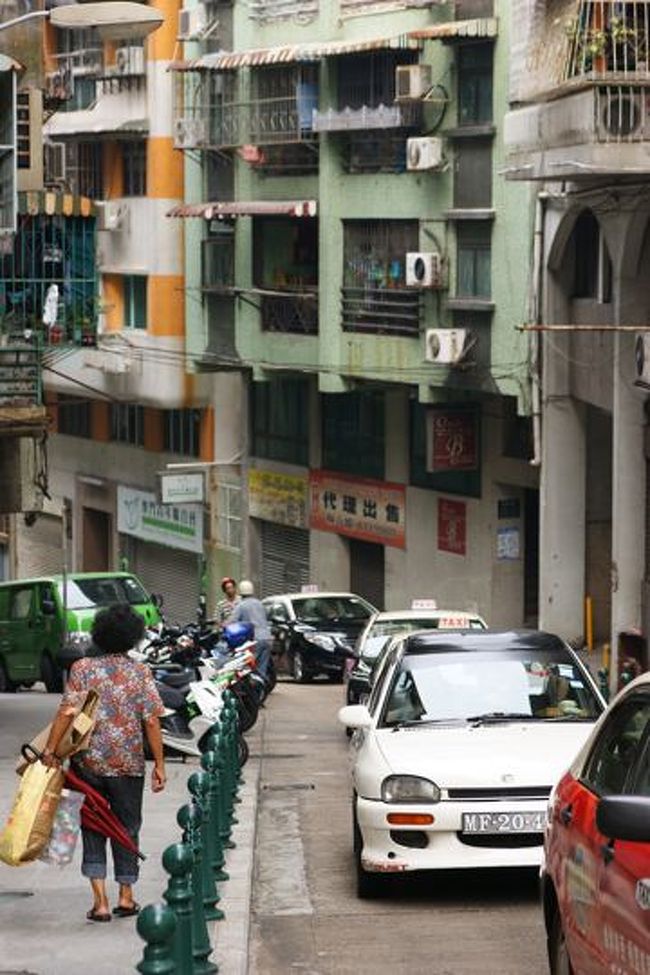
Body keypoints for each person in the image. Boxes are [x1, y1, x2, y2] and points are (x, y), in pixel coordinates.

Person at [41, 603, 166, 923]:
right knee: (128, 827)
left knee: (92, 827)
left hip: (87, 765)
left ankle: (100, 903)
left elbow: (67, 712)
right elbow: (152, 720)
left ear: (100, 633)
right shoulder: (140, 672)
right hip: (128, 765)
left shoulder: (83, 668)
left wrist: (51, 750)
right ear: (133, 637)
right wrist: (160, 766)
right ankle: (127, 896)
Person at [230, 579, 272, 680]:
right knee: (262, 668)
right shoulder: (259, 603)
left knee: (250, 667)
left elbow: (232, 622)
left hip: (253, 640)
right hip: (267, 638)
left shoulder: (241, 605)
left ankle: (252, 690)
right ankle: (261, 686)